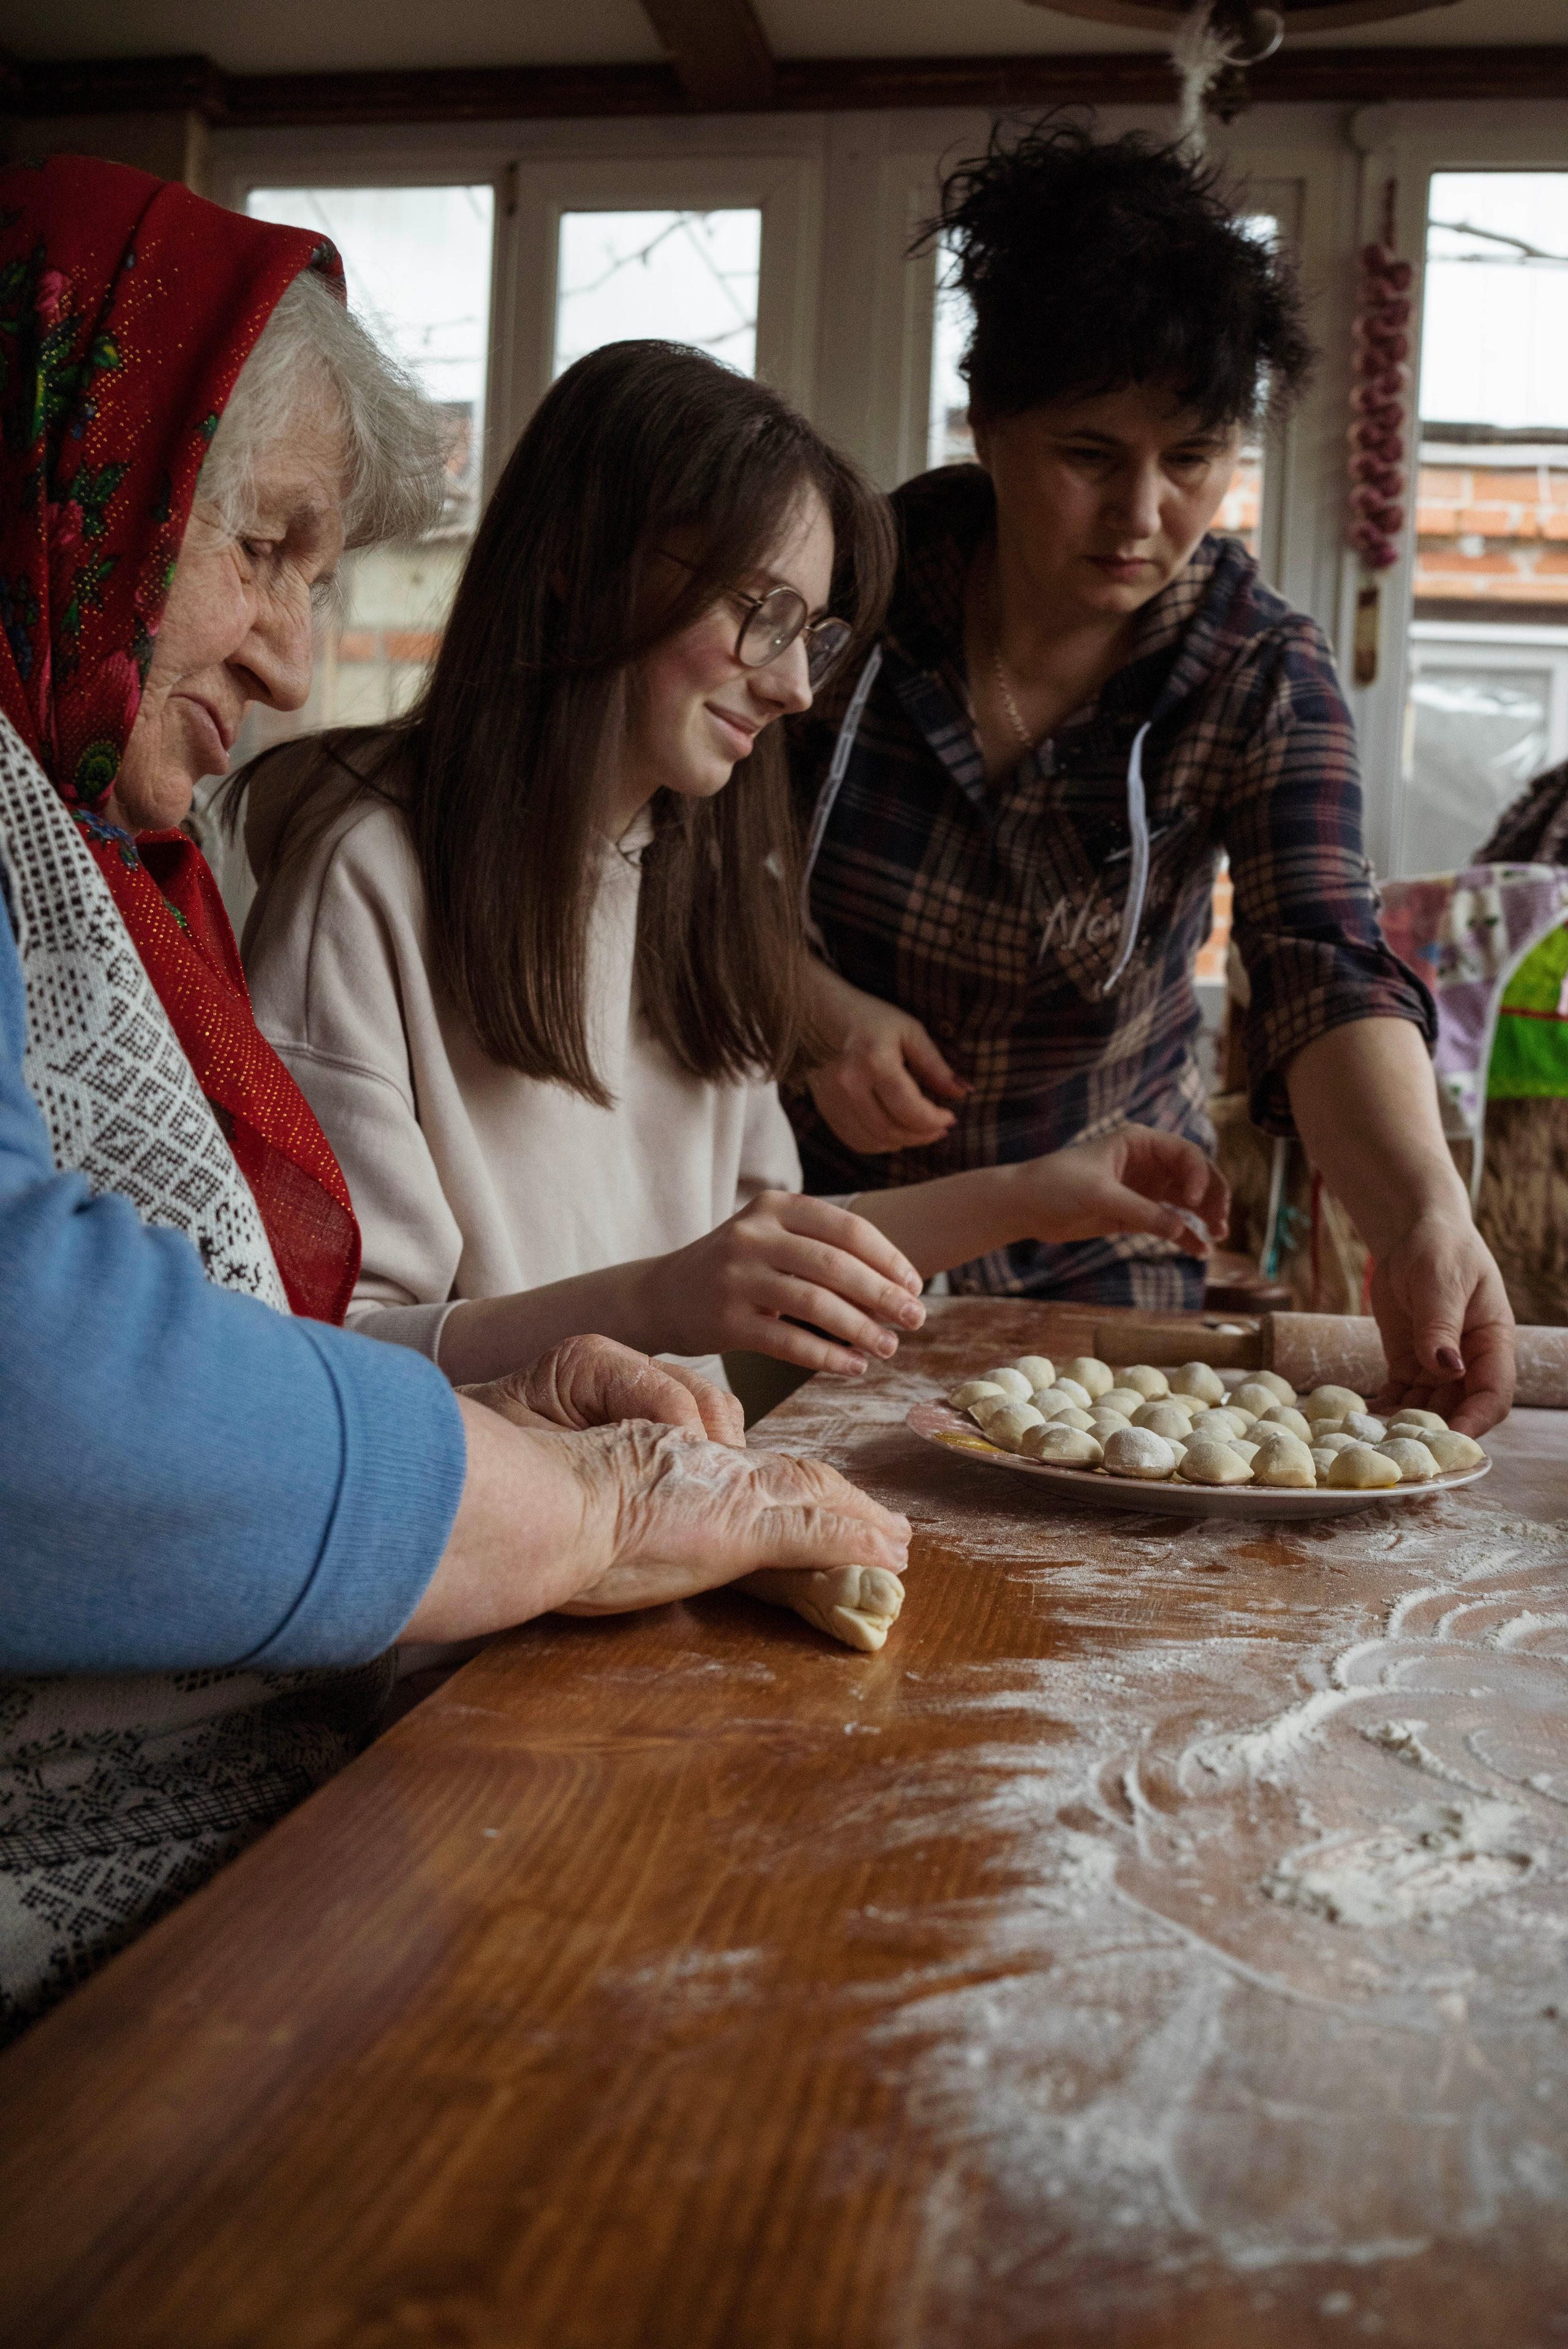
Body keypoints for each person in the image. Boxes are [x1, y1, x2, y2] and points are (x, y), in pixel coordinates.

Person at [0, 159, 908, 2042]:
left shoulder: (97, 851)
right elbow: (56, 1388)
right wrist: (578, 1503)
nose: (293, 657)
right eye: (259, 547)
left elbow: (235, 1339)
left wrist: (527, 1408)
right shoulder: (344, 865)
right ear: (77, 470)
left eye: (319, 577)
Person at [238, 341, 1228, 1406]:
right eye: (759, 611)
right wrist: (655, 1302)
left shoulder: (702, 875)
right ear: (579, 563)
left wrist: (1028, 1196)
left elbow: (758, 1269)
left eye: (812, 633)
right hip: (504, 1508)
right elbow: (330, 1368)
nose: (797, 686)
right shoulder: (367, 878)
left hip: (683, 1489)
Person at [789, 120, 1515, 1436]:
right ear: (987, 422)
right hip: (812, 1220)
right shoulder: (846, 590)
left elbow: (1323, 965)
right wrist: (809, 1008)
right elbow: (662, 865)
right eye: (1088, 456)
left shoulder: (1258, 673)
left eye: (1191, 461)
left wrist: (1421, 1212)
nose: (1141, 517)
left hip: (1100, 1243)